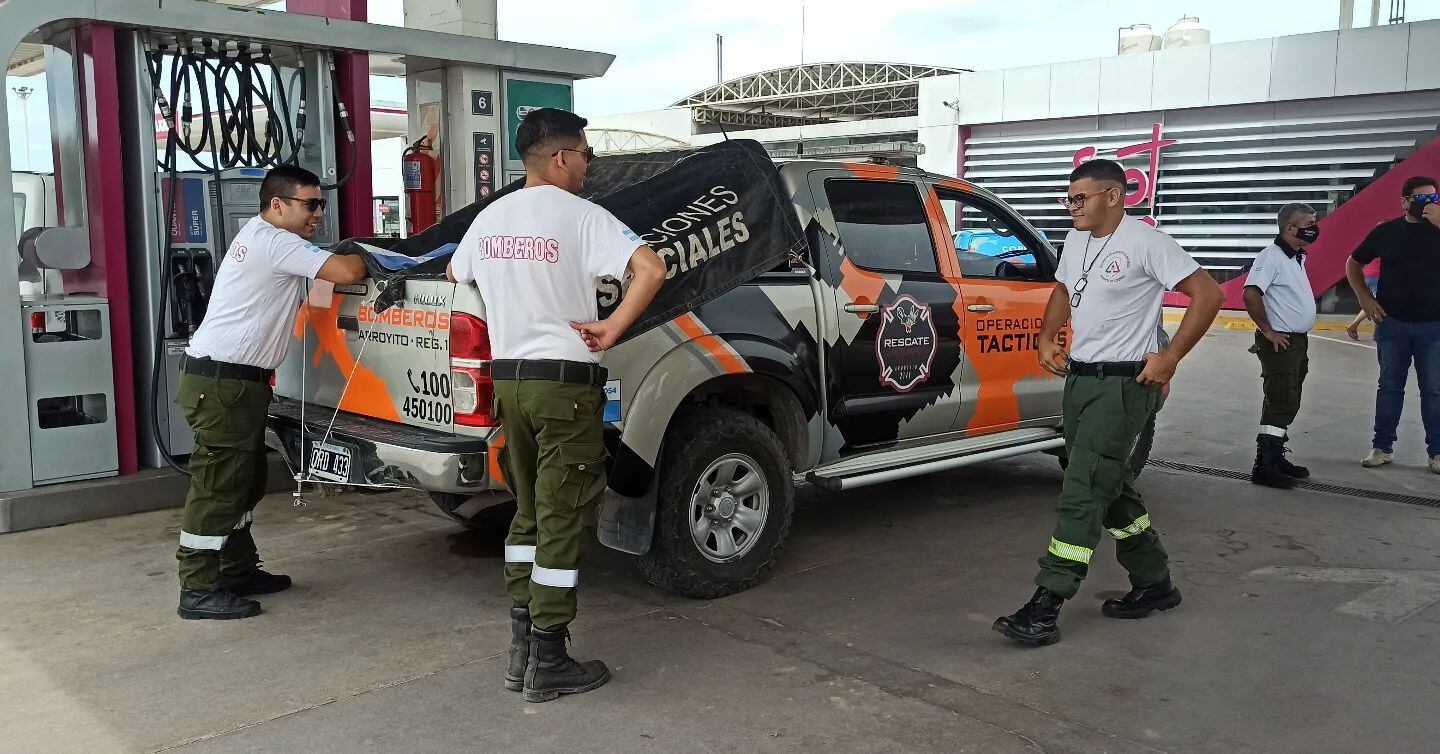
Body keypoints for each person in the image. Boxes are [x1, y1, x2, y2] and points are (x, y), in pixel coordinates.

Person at [447, 108, 665, 702]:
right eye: (586, 154)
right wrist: (612, 326)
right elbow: (651, 268)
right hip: (564, 384)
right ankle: (549, 657)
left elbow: (455, 276)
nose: (589, 165)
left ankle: (522, 646)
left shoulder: (489, 219)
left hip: (510, 382)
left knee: (529, 514)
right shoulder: (583, 216)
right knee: (564, 516)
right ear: (562, 157)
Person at [992, 159, 1223, 646]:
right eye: (1069, 199)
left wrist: (1170, 357)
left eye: (1081, 198)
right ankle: (1155, 582)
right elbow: (1062, 289)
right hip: (1081, 381)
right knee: (1107, 480)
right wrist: (1046, 336)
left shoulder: (1146, 241)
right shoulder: (1077, 241)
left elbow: (1208, 293)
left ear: (1113, 196)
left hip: (1123, 386)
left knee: (1081, 489)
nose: (1072, 207)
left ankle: (1046, 604)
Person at [175, 165, 367, 620]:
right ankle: (198, 587)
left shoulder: (262, 234)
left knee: (244, 481)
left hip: (235, 383)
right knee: (220, 486)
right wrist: (369, 252)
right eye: (309, 204)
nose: (318, 213)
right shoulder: (276, 242)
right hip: (224, 384)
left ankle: (238, 569)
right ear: (277, 204)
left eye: (321, 203)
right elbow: (344, 269)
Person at [1346, 176, 1440, 474]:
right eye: (1421, 198)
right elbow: (1354, 262)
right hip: (1392, 324)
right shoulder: (1387, 231)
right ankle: (1382, 447)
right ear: (1405, 201)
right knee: (1389, 387)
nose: (1428, 204)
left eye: (1433, 198)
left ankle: (1437, 452)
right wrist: (1364, 296)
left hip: (1434, 326)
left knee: (1434, 390)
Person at [1242, 203, 1320, 489]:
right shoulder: (1271, 257)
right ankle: (1265, 465)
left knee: (1288, 398)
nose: (1313, 227)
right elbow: (1251, 293)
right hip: (1282, 341)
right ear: (1290, 228)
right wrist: (1268, 331)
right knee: (1280, 398)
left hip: (1295, 341)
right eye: (1308, 223)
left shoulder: (1296, 257)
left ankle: (1276, 457)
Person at [1345, 257, 1380, 340]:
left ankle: (1355, 325)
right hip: (1378, 275)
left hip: (1367, 274)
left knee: (1374, 302)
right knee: (1378, 304)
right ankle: (1377, 333)